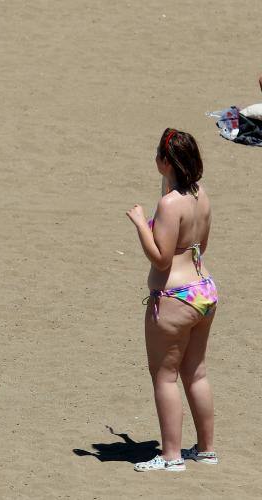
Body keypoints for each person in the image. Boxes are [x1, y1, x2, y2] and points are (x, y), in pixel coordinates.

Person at [127, 129, 218, 472]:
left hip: (173, 298)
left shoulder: (169, 204)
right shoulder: (200, 195)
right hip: (203, 290)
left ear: (164, 161)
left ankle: (171, 456)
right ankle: (206, 449)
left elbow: (161, 259)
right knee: (196, 372)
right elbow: (200, 245)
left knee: (164, 376)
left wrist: (140, 224)